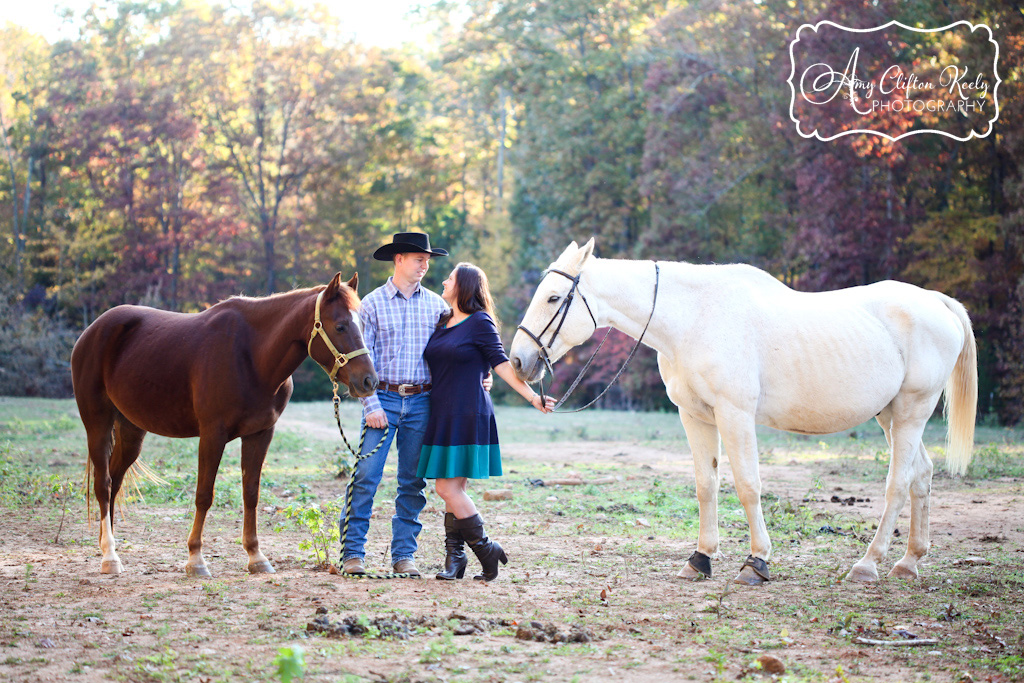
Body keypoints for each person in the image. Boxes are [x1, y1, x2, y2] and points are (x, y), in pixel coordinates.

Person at [418, 262, 554, 582]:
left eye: (450, 278)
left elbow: (502, 365)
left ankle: (486, 548)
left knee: (446, 488)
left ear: (463, 286)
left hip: (468, 412)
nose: (444, 281)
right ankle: (455, 561)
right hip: (441, 413)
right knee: (455, 488)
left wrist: (534, 397)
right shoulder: (442, 320)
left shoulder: (480, 322)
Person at [339, 232, 450, 578]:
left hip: (422, 401)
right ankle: (353, 554)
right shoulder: (370, 305)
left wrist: (481, 376)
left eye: (428, 260)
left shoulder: (437, 306)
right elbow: (361, 361)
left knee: (412, 482)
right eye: (419, 259)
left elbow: (453, 353)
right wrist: (370, 405)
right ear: (399, 260)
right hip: (382, 399)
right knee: (366, 477)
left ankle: (404, 556)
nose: (425, 265)